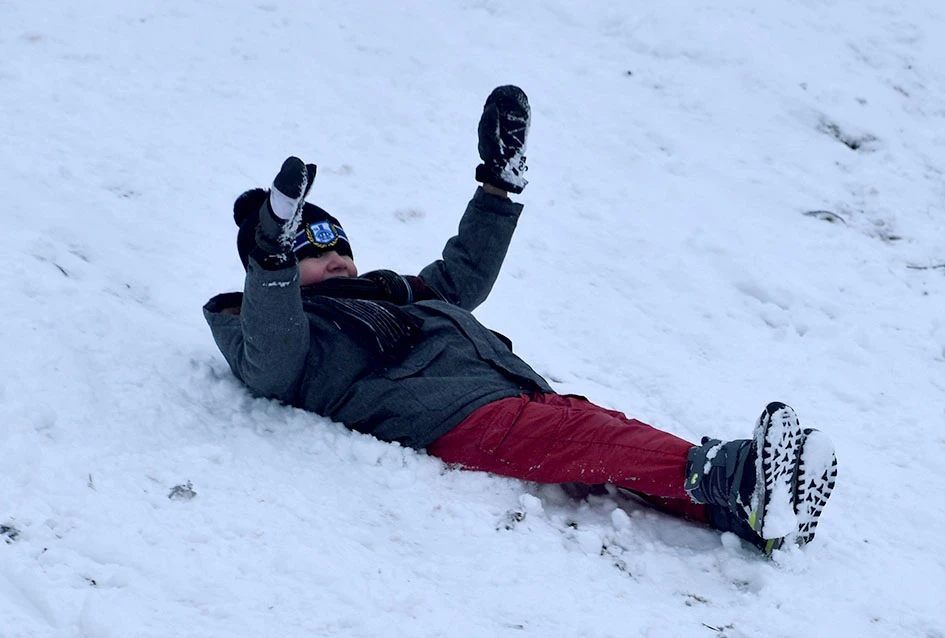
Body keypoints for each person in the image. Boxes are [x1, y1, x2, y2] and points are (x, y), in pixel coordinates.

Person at [203, 86, 837, 554]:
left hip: (506, 394)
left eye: (339, 244)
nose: (335, 258)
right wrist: (271, 255)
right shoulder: (281, 329)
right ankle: (735, 474)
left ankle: (741, 515)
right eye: (311, 252)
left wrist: (497, 189)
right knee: (591, 437)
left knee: (609, 443)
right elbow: (271, 360)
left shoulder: (393, 294)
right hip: (452, 418)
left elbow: (462, 276)